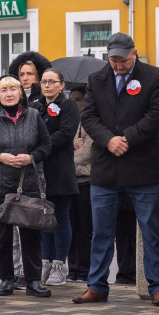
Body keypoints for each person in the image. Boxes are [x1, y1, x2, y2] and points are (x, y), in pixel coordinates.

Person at [74, 32, 159, 306]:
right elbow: (89, 116)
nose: (118, 65)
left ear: (134, 52)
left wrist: (127, 137)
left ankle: (158, 286)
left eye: (124, 60)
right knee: (101, 231)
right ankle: (97, 285)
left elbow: (157, 114)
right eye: (114, 60)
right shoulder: (96, 79)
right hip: (106, 169)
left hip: (142, 168)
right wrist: (108, 140)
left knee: (151, 229)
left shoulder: (156, 76)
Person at [0, 75, 52, 297]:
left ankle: (34, 281)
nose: (8, 93)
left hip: (28, 183)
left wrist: (31, 157)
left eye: (13, 89)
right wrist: (0, 156)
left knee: (31, 235)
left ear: (21, 93)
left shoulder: (34, 116)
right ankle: (6, 279)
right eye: (3, 90)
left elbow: (46, 145)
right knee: (2, 235)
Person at [35, 68, 80, 286]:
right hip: (39, 172)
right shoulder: (36, 106)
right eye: (44, 81)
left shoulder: (68, 105)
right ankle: (45, 263)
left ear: (62, 85)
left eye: (52, 82)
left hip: (60, 171)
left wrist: (40, 147)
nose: (47, 85)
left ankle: (60, 265)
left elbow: (65, 133)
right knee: (44, 220)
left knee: (60, 219)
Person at [67, 86, 93, 282]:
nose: (74, 103)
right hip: (69, 181)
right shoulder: (70, 122)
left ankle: (84, 269)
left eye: (77, 99)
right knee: (71, 228)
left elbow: (86, 153)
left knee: (85, 229)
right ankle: (73, 268)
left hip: (86, 182)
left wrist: (67, 155)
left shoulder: (89, 122)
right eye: (71, 99)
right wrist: (70, 147)